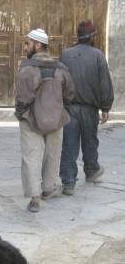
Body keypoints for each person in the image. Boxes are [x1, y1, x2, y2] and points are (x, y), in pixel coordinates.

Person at [14, 28, 74, 212]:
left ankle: (34, 197)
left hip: (31, 119)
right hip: (56, 119)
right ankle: (48, 189)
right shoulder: (62, 69)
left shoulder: (27, 69)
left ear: (37, 45)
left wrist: (20, 113)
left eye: (27, 43)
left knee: (31, 157)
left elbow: (23, 97)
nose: (25, 47)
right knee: (52, 156)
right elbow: (70, 93)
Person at [59, 20, 114, 195]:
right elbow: (105, 84)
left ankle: (68, 182)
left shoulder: (65, 55)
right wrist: (106, 107)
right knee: (90, 142)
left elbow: (59, 81)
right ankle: (91, 171)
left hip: (69, 108)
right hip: (90, 109)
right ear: (91, 37)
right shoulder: (98, 56)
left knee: (69, 145)